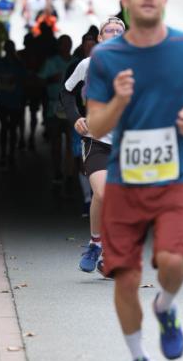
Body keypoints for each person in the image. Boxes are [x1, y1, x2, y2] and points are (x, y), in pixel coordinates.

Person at [85, 0, 183, 361]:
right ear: (125, 3)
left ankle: (166, 305)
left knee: (174, 262)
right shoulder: (106, 59)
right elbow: (94, 122)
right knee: (124, 277)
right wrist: (120, 100)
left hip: (174, 177)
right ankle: (140, 360)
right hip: (125, 180)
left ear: (165, 0)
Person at [61, 17, 126, 274]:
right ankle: (96, 243)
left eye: (119, 31)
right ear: (100, 38)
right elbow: (66, 92)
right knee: (102, 193)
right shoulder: (87, 65)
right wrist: (75, 117)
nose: (113, 33)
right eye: (108, 30)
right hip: (97, 141)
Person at [39, 34, 74, 189]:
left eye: (69, 44)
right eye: (63, 44)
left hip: (72, 110)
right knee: (56, 143)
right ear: (59, 46)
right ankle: (57, 171)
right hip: (54, 110)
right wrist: (51, 79)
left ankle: (70, 173)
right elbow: (39, 81)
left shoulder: (76, 63)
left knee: (71, 144)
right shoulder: (51, 62)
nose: (66, 46)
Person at [0, 40, 26, 167]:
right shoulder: (19, 64)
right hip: (14, 101)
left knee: (5, 128)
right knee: (12, 128)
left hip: (2, 100)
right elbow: (24, 81)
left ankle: (4, 155)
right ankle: (10, 155)